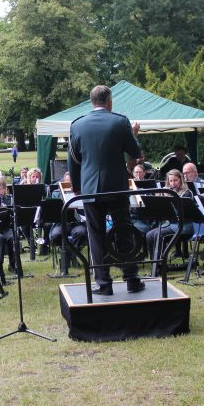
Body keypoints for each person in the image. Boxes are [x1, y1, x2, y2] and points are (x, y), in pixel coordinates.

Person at [68, 84, 142, 295]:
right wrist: (134, 134)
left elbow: (74, 161)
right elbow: (134, 151)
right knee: (123, 230)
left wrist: (76, 187)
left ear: (92, 102)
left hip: (90, 188)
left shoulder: (77, 125)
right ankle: (132, 278)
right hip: (116, 187)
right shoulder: (120, 121)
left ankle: (103, 283)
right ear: (109, 101)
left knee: (96, 235)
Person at [145, 169, 194, 271]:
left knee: (159, 235)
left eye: (175, 180)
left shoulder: (187, 193)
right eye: (170, 181)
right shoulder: (167, 192)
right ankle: (155, 263)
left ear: (180, 180)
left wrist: (169, 199)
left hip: (183, 227)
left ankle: (160, 265)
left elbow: (181, 213)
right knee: (149, 235)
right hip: (170, 225)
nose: (173, 183)